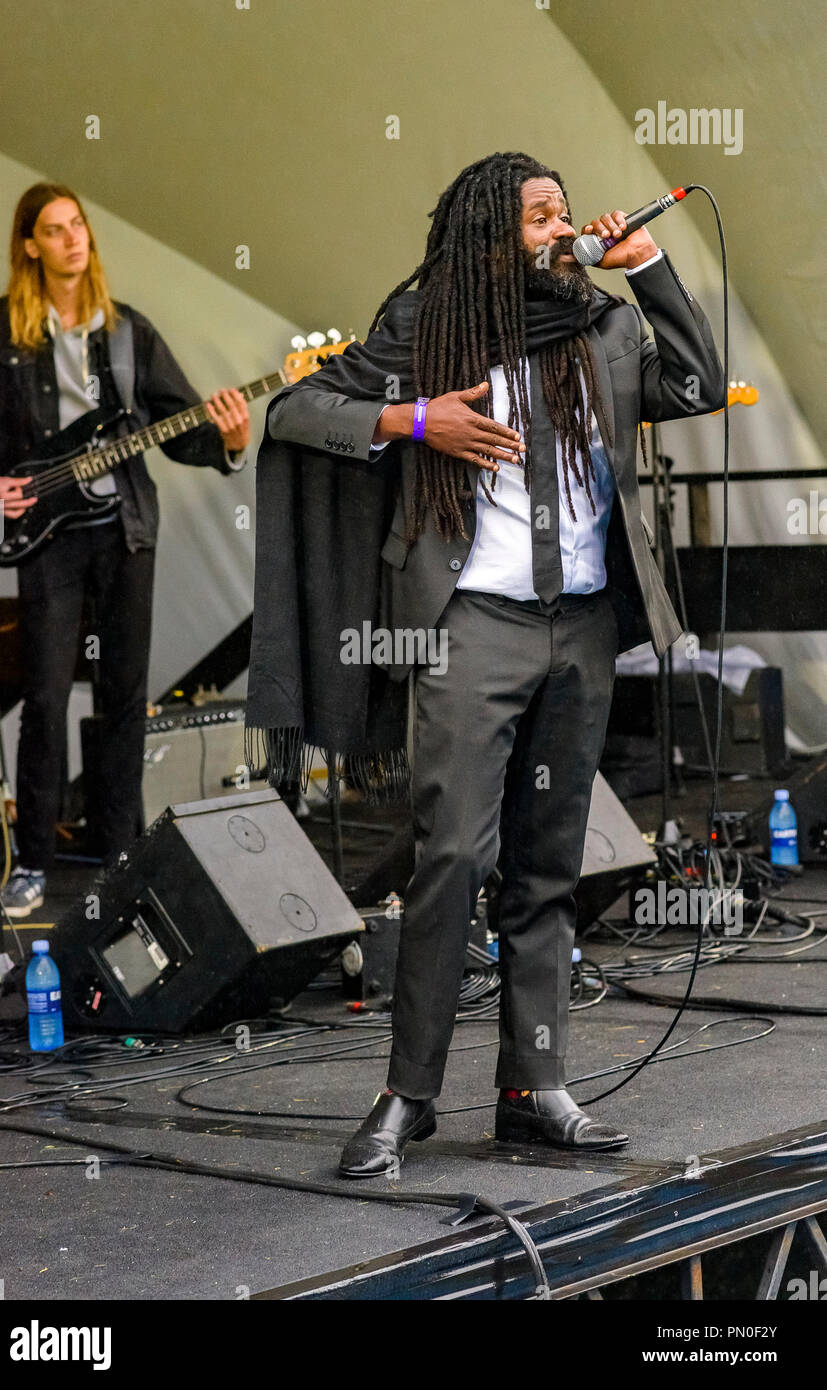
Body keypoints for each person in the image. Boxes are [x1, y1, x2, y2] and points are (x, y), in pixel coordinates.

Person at [255, 152, 724, 1174]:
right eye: (540, 214)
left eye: (565, 210)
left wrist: (647, 269)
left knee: (548, 869)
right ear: (485, 235)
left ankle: (534, 1088)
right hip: (473, 623)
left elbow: (693, 383)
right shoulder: (428, 328)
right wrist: (415, 418)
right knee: (452, 859)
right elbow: (296, 410)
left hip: (583, 624)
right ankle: (407, 1094)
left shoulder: (600, 322)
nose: (562, 227)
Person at [0, 182, 250, 917]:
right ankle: (31, 865)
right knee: (47, 699)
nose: (72, 240)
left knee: (125, 698)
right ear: (30, 245)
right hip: (42, 538)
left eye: (78, 226)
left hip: (125, 532)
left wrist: (231, 438)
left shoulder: (127, 332)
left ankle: (121, 860)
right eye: (54, 230)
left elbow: (181, 429)